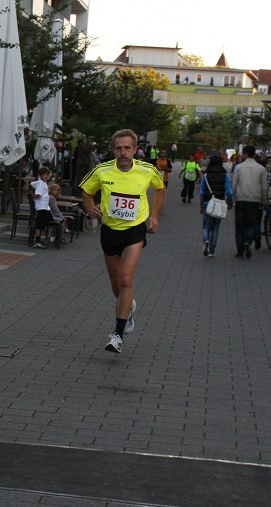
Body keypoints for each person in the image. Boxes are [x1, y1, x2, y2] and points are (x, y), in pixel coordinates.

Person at [79, 128, 165, 354]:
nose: (123, 152)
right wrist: (90, 207)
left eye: (128, 148)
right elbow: (86, 192)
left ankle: (117, 333)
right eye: (119, 148)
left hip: (135, 230)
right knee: (117, 285)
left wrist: (154, 215)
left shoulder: (147, 170)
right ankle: (129, 307)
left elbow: (160, 188)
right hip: (109, 231)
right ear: (113, 150)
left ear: (135, 149)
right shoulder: (102, 170)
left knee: (126, 279)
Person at [231, 145, 267, 258]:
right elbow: (265, 187)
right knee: (251, 224)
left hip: (241, 199)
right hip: (255, 200)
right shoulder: (261, 168)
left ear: (245, 154)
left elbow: (234, 184)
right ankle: (247, 241)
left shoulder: (238, 167)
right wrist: (263, 200)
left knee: (239, 225)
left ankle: (240, 251)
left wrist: (232, 198)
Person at [198, 154, 233, 258]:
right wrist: (229, 201)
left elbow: (201, 191)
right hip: (219, 204)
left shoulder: (206, 175)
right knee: (216, 228)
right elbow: (229, 192)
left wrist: (201, 205)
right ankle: (212, 251)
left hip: (207, 203)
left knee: (206, 226)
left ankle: (206, 241)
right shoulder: (225, 175)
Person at [30, 166, 53, 248]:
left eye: (47, 174)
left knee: (48, 221)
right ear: (40, 175)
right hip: (42, 208)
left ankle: (42, 238)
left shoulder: (41, 183)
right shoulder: (41, 184)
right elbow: (38, 194)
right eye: (44, 174)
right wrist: (33, 196)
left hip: (45, 208)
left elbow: (32, 184)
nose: (46, 176)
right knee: (39, 225)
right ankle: (37, 241)